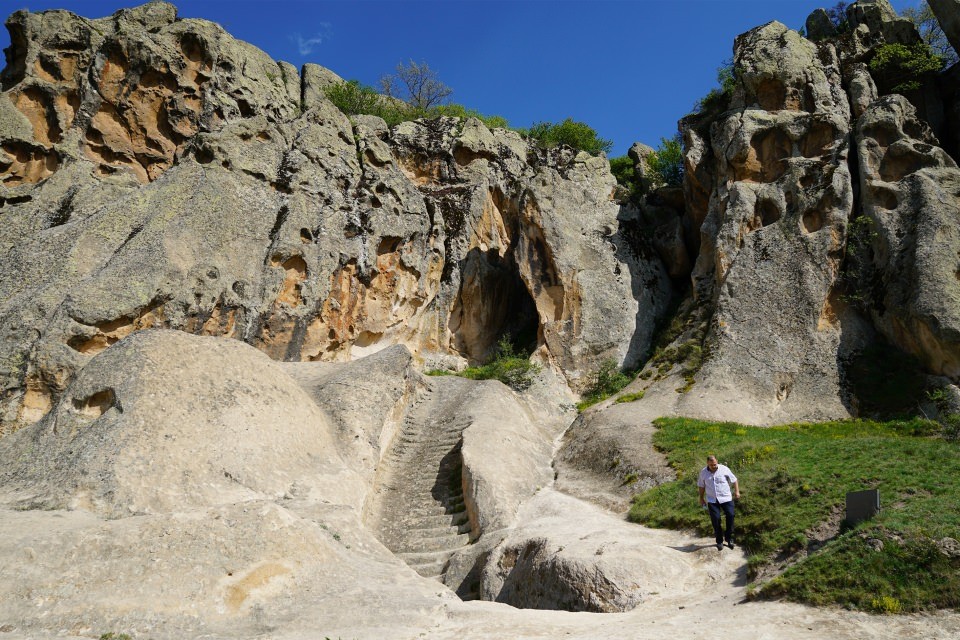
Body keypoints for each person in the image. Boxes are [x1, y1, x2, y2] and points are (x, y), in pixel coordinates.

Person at [697, 454, 740, 550]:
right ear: (707, 463)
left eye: (715, 464)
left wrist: (737, 491)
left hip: (726, 497)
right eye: (712, 464)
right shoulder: (703, 473)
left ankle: (729, 538)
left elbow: (734, 480)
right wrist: (701, 498)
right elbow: (701, 485)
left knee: (730, 515)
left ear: (717, 461)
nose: (714, 466)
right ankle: (719, 541)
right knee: (716, 519)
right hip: (712, 499)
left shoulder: (724, 469)